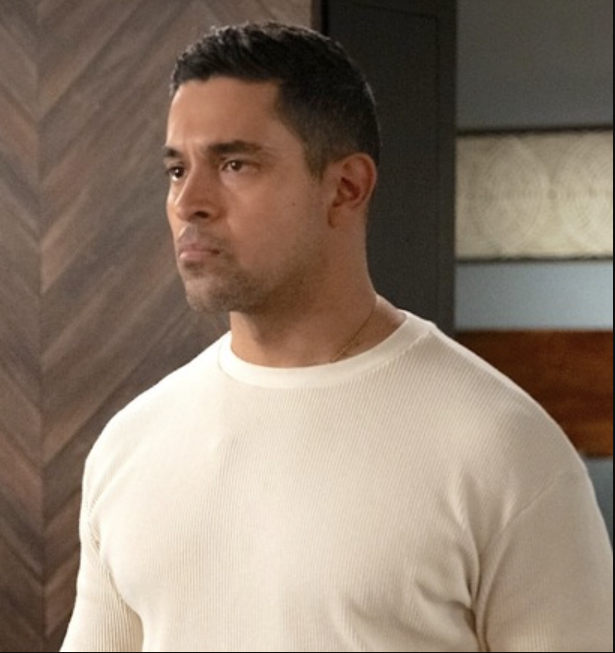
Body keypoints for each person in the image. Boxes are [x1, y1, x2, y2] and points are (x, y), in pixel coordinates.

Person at [61, 22, 613, 651]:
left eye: (235, 164)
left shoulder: (503, 448)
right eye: (176, 169)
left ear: (346, 187)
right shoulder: (131, 444)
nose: (190, 201)